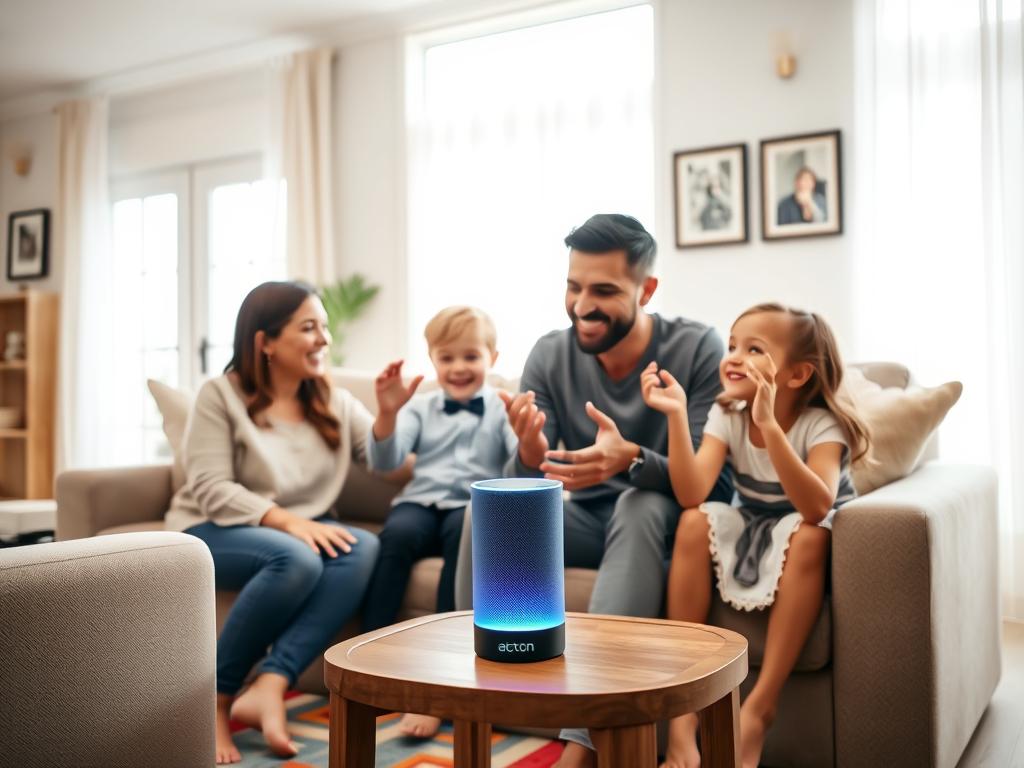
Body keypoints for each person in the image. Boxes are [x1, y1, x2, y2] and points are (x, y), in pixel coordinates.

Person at [453, 213, 732, 767]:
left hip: (663, 526)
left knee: (639, 501)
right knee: (479, 515)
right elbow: (532, 481)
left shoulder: (697, 347)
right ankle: (471, 706)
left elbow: (711, 482)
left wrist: (631, 459)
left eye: (603, 290)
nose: (583, 304)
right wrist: (530, 451)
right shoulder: (550, 353)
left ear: (646, 290)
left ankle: (582, 744)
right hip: (581, 522)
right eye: (573, 286)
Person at [641, 303, 869, 768]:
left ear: (797, 374)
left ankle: (761, 706)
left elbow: (818, 507)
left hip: (809, 532)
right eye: (732, 345)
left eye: (754, 349)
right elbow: (692, 493)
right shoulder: (727, 413)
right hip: (758, 525)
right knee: (693, 521)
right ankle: (684, 720)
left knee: (808, 534)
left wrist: (769, 426)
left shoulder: (821, 424)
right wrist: (677, 416)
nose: (733, 357)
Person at [165, 281, 381, 765]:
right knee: (296, 558)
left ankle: (271, 683)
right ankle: (214, 701)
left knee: (363, 547)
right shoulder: (220, 396)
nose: (324, 339)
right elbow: (210, 486)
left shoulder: (333, 401)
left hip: (291, 532)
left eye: (324, 327)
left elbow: (389, 461)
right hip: (209, 527)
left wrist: (389, 414)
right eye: (309, 327)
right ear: (265, 342)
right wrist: (285, 521)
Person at [362, 305, 518, 738]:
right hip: (420, 502)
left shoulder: (503, 407)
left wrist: (526, 429)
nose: (459, 367)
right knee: (394, 538)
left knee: (463, 544)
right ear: (432, 360)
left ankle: (440, 683)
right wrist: (388, 413)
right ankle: (370, 667)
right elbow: (385, 461)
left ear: (493, 358)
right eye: (447, 358)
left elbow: (520, 464)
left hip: (468, 510)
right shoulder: (419, 407)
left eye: (471, 356)